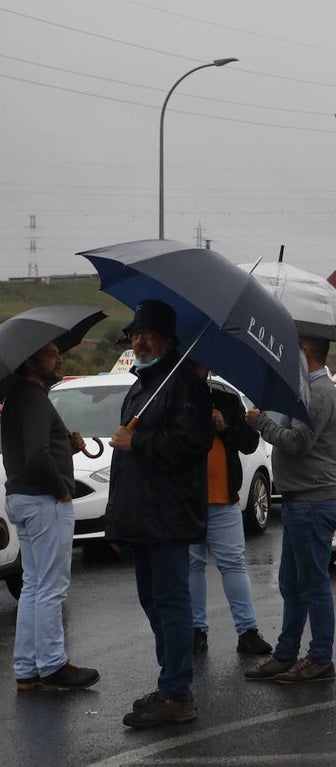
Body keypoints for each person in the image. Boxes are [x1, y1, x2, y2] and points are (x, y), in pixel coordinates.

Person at [108, 300, 213, 727]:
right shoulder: (141, 384)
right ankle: (170, 680)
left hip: (168, 516)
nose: (139, 340)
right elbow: (125, 466)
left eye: (147, 333)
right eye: (134, 334)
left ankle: (177, 693)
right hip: (141, 518)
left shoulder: (186, 384)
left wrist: (139, 443)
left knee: (170, 603)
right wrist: (117, 520)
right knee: (153, 601)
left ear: (167, 339)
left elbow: (191, 445)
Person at [244, 336, 336, 684]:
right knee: (291, 581)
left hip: (313, 501)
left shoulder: (317, 394)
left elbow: (298, 442)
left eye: (293, 351)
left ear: (306, 353)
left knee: (313, 583)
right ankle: (286, 654)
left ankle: (320, 658)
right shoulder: (305, 391)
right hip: (300, 500)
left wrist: (261, 423)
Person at [3, 340, 100, 692]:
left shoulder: (19, 397)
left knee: (34, 585)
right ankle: (53, 664)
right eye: (50, 352)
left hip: (24, 499)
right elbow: (36, 456)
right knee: (51, 586)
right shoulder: (33, 398)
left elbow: (37, 448)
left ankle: (28, 668)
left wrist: (66, 444)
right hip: (44, 501)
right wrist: (61, 488)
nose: (60, 358)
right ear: (30, 360)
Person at [187, 363, 273, 657]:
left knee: (233, 563)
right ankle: (196, 630)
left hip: (224, 498)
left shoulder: (225, 396)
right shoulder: (174, 394)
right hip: (187, 499)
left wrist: (225, 428)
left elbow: (249, 443)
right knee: (192, 565)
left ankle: (247, 631)